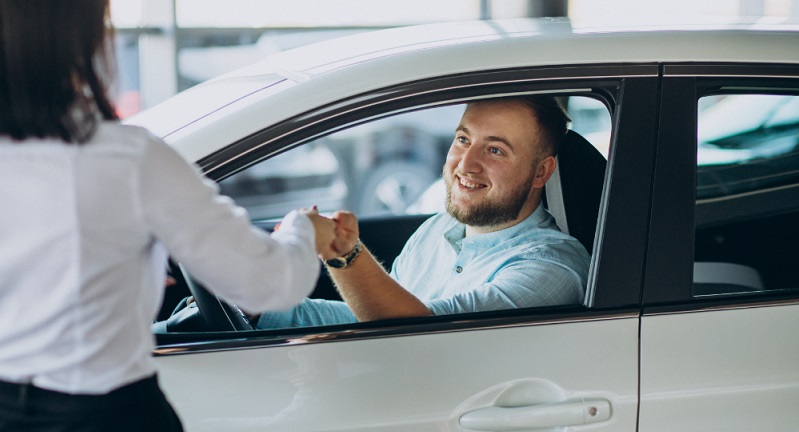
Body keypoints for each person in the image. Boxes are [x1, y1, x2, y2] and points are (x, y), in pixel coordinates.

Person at [0, 1, 340, 431]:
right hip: (105, 414)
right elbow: (266, 285)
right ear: (79, 38)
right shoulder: (127, 159)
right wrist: (303, 230)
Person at [255, 96, 591, 329]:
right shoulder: (435, 231)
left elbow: (419, 328)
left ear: (540, 172)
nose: (466, 164)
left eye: (494, 150)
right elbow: (369, 313)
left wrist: (342, 250)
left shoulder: (553, 269)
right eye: (463, 139)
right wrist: (262, 310)